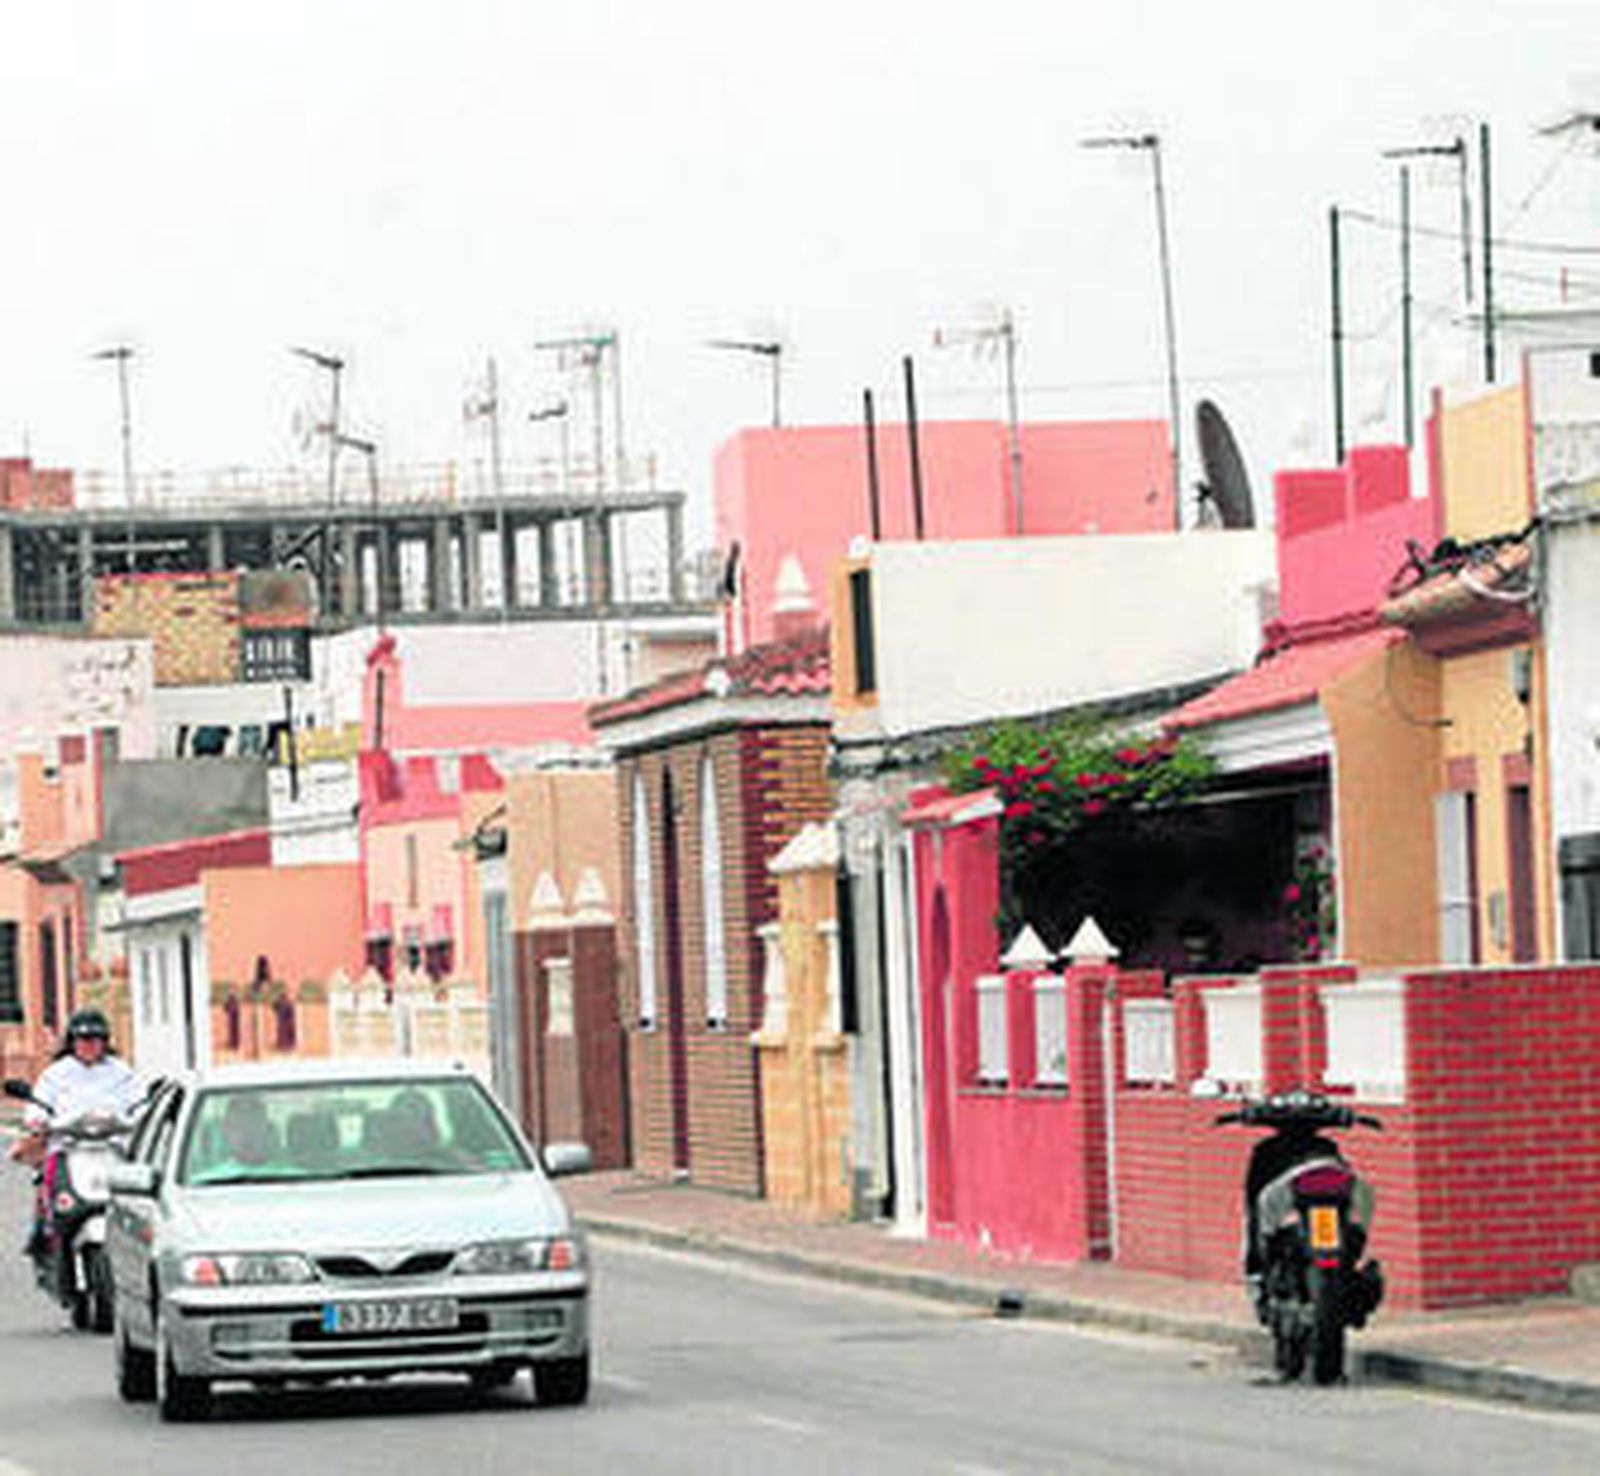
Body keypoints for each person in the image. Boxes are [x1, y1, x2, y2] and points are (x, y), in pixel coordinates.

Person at [9, 1008, 143, 1258]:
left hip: (112, 1146)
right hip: (68, 1147)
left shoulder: (122, 1072)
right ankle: (44, 1231)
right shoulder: (56, 1073)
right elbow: (38, 1104)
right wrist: (38, 1119)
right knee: (49, 1183)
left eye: (95, 1039)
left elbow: (140, 1102)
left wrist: (141, 1116)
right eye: (82, 1039)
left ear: (105, 1042)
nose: (89, 1045)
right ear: (72, 1042)